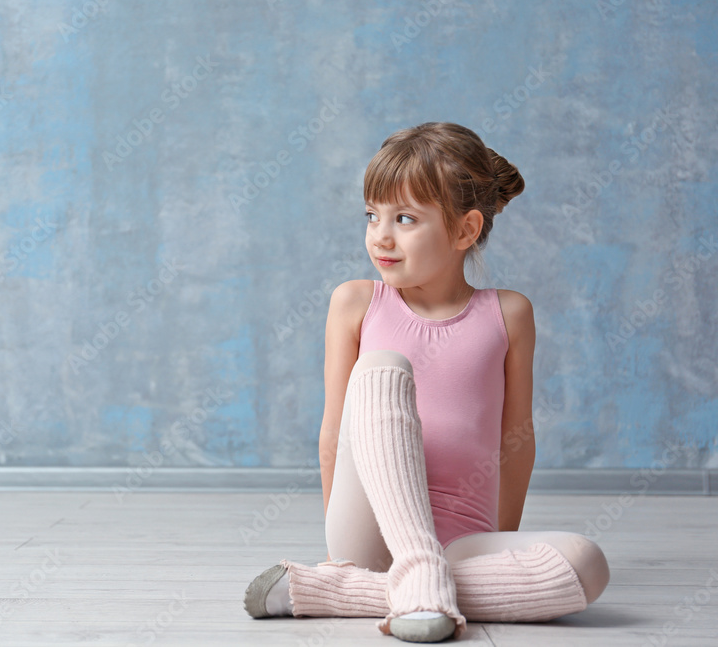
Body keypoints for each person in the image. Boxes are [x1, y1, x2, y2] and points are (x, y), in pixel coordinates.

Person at [242, 122, 610, 643]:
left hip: (462, 542)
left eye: (405, 218)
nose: (380, 235)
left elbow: (517, 441)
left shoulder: (509, 314)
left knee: (586, 563)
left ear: (464, 230)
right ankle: (405, 569)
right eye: (372, 215)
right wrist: (339, 553)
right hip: (369, 531)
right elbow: (333, 437)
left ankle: (348, 592)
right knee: (382, 366)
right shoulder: (356, 303)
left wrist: (505, 542)